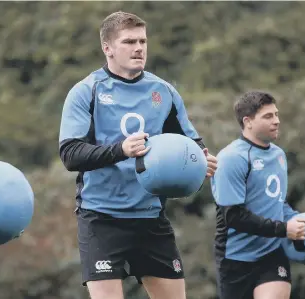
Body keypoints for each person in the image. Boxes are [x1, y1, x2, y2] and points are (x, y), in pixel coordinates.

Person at [59, 11, 217, 299]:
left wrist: (202, 160)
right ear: (107, 48)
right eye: (129, 41)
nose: (139, 48)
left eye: (143, 41)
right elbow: (71, 154)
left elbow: (191, 142)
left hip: (150, 217)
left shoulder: (163, 91)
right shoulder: (86, 91)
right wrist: (121, 150)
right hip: (101, 218)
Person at [210, 90, 305, 299]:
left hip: (272, 254)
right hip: (235, 258)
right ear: (248, 122)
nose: (277, 121)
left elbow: (277, 203)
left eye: (276, 114)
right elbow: (233, 217)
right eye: (268, 116)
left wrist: (298, 220)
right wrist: (283, 229)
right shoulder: (231, 158)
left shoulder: (279, 155)